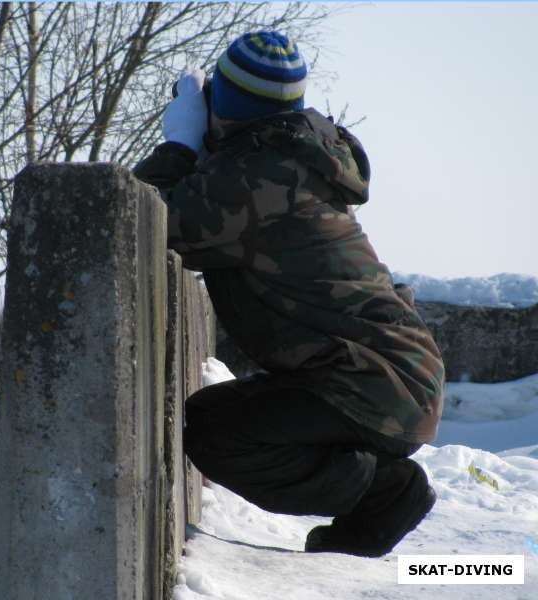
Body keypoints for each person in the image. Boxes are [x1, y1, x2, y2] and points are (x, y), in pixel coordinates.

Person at [133, 30, 445, 557]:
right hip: (390, 377)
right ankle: (363, 529)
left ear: (224, 104)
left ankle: (386, 493)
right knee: (229, 414)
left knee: (217, 429)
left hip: (373, 382)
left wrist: (179, 146)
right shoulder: (287, 163)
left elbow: (135, 222)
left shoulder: (258, 177)